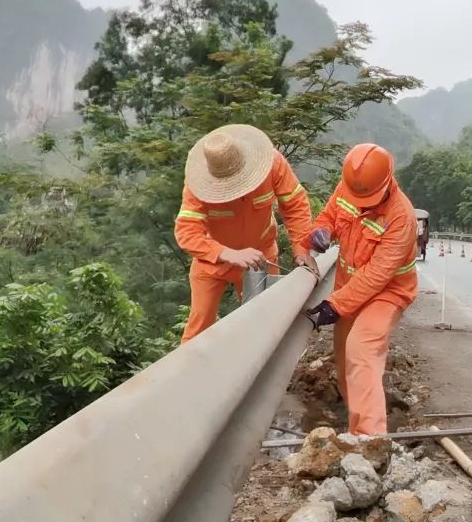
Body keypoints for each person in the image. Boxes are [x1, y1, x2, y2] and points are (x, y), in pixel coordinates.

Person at [307, 143, 419, 435]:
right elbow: (329, 217)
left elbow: (378, 274)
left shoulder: (401, 216)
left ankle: (369, 439)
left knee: (361, 349)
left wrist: (335, 305)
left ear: (387, 182)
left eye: (367, 198)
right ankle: (352, 412)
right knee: (344, 353)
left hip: (387, 292)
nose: (361, 203)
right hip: (349, 286)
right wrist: (321, 231)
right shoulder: (349, 188)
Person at [174, 124, 314, 343]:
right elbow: (186, 232)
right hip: (211, 260)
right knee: (198, 328)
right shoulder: (198, 183)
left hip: (260, 256)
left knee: (263, 321)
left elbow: (295, 205)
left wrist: (302, 248)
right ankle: (189, 375)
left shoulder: (273, 163)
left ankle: (260, 372)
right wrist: (226, 253)